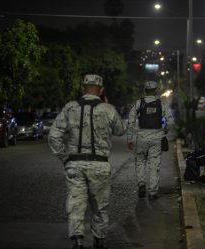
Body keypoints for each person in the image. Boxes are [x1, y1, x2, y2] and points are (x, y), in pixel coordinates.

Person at [48, 74, 126, 249]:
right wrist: (107, 104)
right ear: (101, 90)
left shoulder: (70, 108)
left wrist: (64, 158)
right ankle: (99, 240)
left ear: (82, 89)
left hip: (74, 164)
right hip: (99, 164)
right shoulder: (107, 109)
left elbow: (54, 136)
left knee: (76, 204)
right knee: (100, 206)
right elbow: (121, 130)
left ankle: (77, 240)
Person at [126, 81, 173, 200]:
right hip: (157, 137)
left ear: (145, 91)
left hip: (141, 137)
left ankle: (141, 184)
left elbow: (131, 121)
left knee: (141, 161)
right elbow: (170, 121)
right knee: (154, 164)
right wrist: (165, 130)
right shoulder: (160, 104)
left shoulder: (139, 103)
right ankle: (152, 192)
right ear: (156, 91)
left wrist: (130, 138)